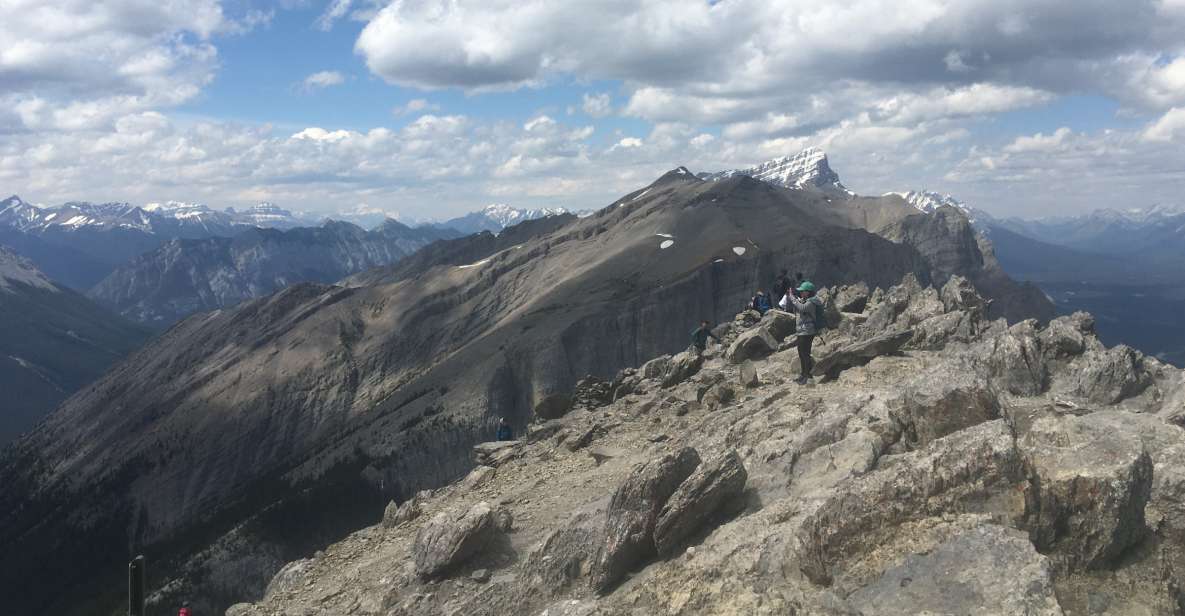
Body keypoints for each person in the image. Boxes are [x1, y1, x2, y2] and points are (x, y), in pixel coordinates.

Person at [780, 281, 823, 384]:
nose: (801, 293)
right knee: (801, 353)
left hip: (807, 331)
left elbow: (802, 308)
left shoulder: (812, 301)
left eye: (802, 291)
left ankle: (807, 376)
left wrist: (792, 297)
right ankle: (803, 374)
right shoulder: (806, 300)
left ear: (808, 292)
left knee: (805, 354)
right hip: (802, 331)